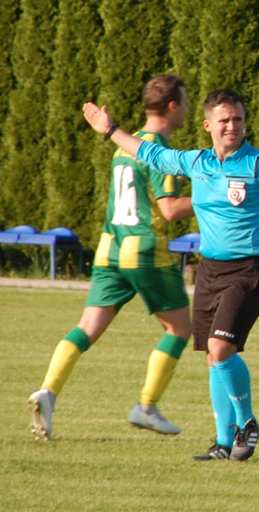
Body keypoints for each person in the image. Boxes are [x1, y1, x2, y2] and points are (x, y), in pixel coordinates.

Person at [82, 89, 259, 462]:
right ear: (208, 126)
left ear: (245, 124)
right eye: (224, 120)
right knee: (213, 356)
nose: (232, 126)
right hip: (209, 270)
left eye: (237, 119)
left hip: (249, 269)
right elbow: (152, 154)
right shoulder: (197, 163)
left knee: (220, 349)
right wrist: (111, 131)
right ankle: (223, 442)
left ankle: (247, 423)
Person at [29, 74, 194, 440]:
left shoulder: (125, 146)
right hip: (145, 250)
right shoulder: (159, 152)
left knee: (86, 328)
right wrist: (212, 198)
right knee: (180, 328)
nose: (187, 107)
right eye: (184, 101)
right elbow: (167, 210)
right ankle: (147, 407)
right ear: (172, 106)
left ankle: (48, 391)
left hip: (110, 248)